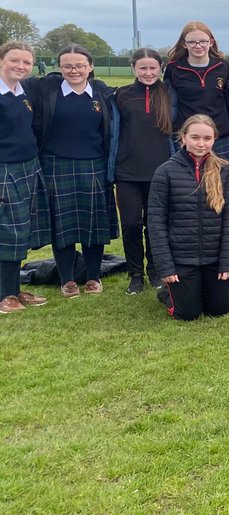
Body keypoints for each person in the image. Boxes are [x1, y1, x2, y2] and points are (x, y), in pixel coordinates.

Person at [27, 45, 118, 297]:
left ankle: (93, 277)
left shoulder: (102, 94)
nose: (74, 70)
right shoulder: (46, 91)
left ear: (90, 67)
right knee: (62, 226)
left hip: (95, 165)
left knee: (93, 225)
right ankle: (67, 280)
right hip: (55, 165)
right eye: (67, 65)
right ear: (60, 68)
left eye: (79, 65)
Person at [147, 115, 229, 320]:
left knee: (218, 310)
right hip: (182, 258)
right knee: (187, 314)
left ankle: (203, 289)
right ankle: (166, 291)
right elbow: (155, 222)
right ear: (183, 138)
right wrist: (165, 266)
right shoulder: (165, 172)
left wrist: (227, 262)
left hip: (214, 257)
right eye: (195, 137)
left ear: (214, 139)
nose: (201, 143)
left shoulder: (225, 171)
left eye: (207, 138)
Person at [109, 48, 175, 294]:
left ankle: (155, 270)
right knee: (131, 223)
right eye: (143, 68)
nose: (148, 73)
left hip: (161, 171)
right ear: (134, 68)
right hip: (127, 172)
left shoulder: (170, 93)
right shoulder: (120, 94)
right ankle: (135, 274)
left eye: (153, 68)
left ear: (161, 68)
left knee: (155, 224)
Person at [0, 41, 49, 313]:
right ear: (1, 61)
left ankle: (14, 290)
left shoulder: (23, 92)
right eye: (14, 60)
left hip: (27, 166)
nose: (20, 66)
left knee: (20, 231)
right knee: (7, 231)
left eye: (26, 62)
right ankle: (5, 295)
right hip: (3, 169)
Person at [163, 21, 229, 161]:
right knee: (188, 182)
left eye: (203, 41)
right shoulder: (174, 68)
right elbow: (170, 102)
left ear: (211, 42)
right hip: (187, 138)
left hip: (220, 137)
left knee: (224, 181)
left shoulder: (222, 66)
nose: (198, 46)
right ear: (184, 44)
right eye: (192, 42)